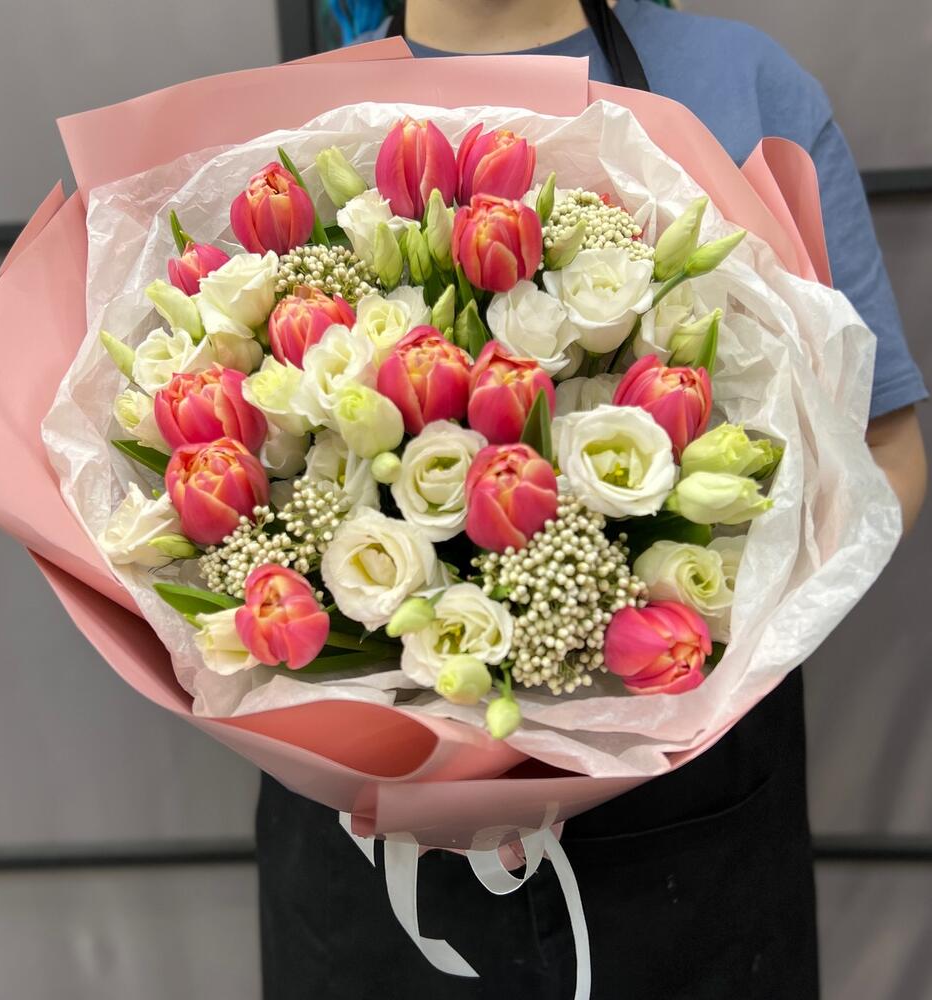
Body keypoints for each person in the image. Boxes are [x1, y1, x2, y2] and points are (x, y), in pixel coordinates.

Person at [255, 3, 929, 997]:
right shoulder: (290, 123)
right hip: (374, 858)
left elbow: (883, 450)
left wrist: (715, 647)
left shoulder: (742, 85)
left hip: (687, 839)